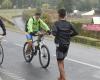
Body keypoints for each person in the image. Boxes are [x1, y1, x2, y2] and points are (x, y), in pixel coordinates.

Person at [52, 9, 78, 80]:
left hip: (59, 46)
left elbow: (54, 33)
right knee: (61, 60)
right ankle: (61, 77)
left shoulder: (56, 23)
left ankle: (65, 78)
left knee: (59, 62)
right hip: (67, 45)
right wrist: (68, 35)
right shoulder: (69, 23)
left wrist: (59, 34)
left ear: (58, 15)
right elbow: (76, 32)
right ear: (65, 15)